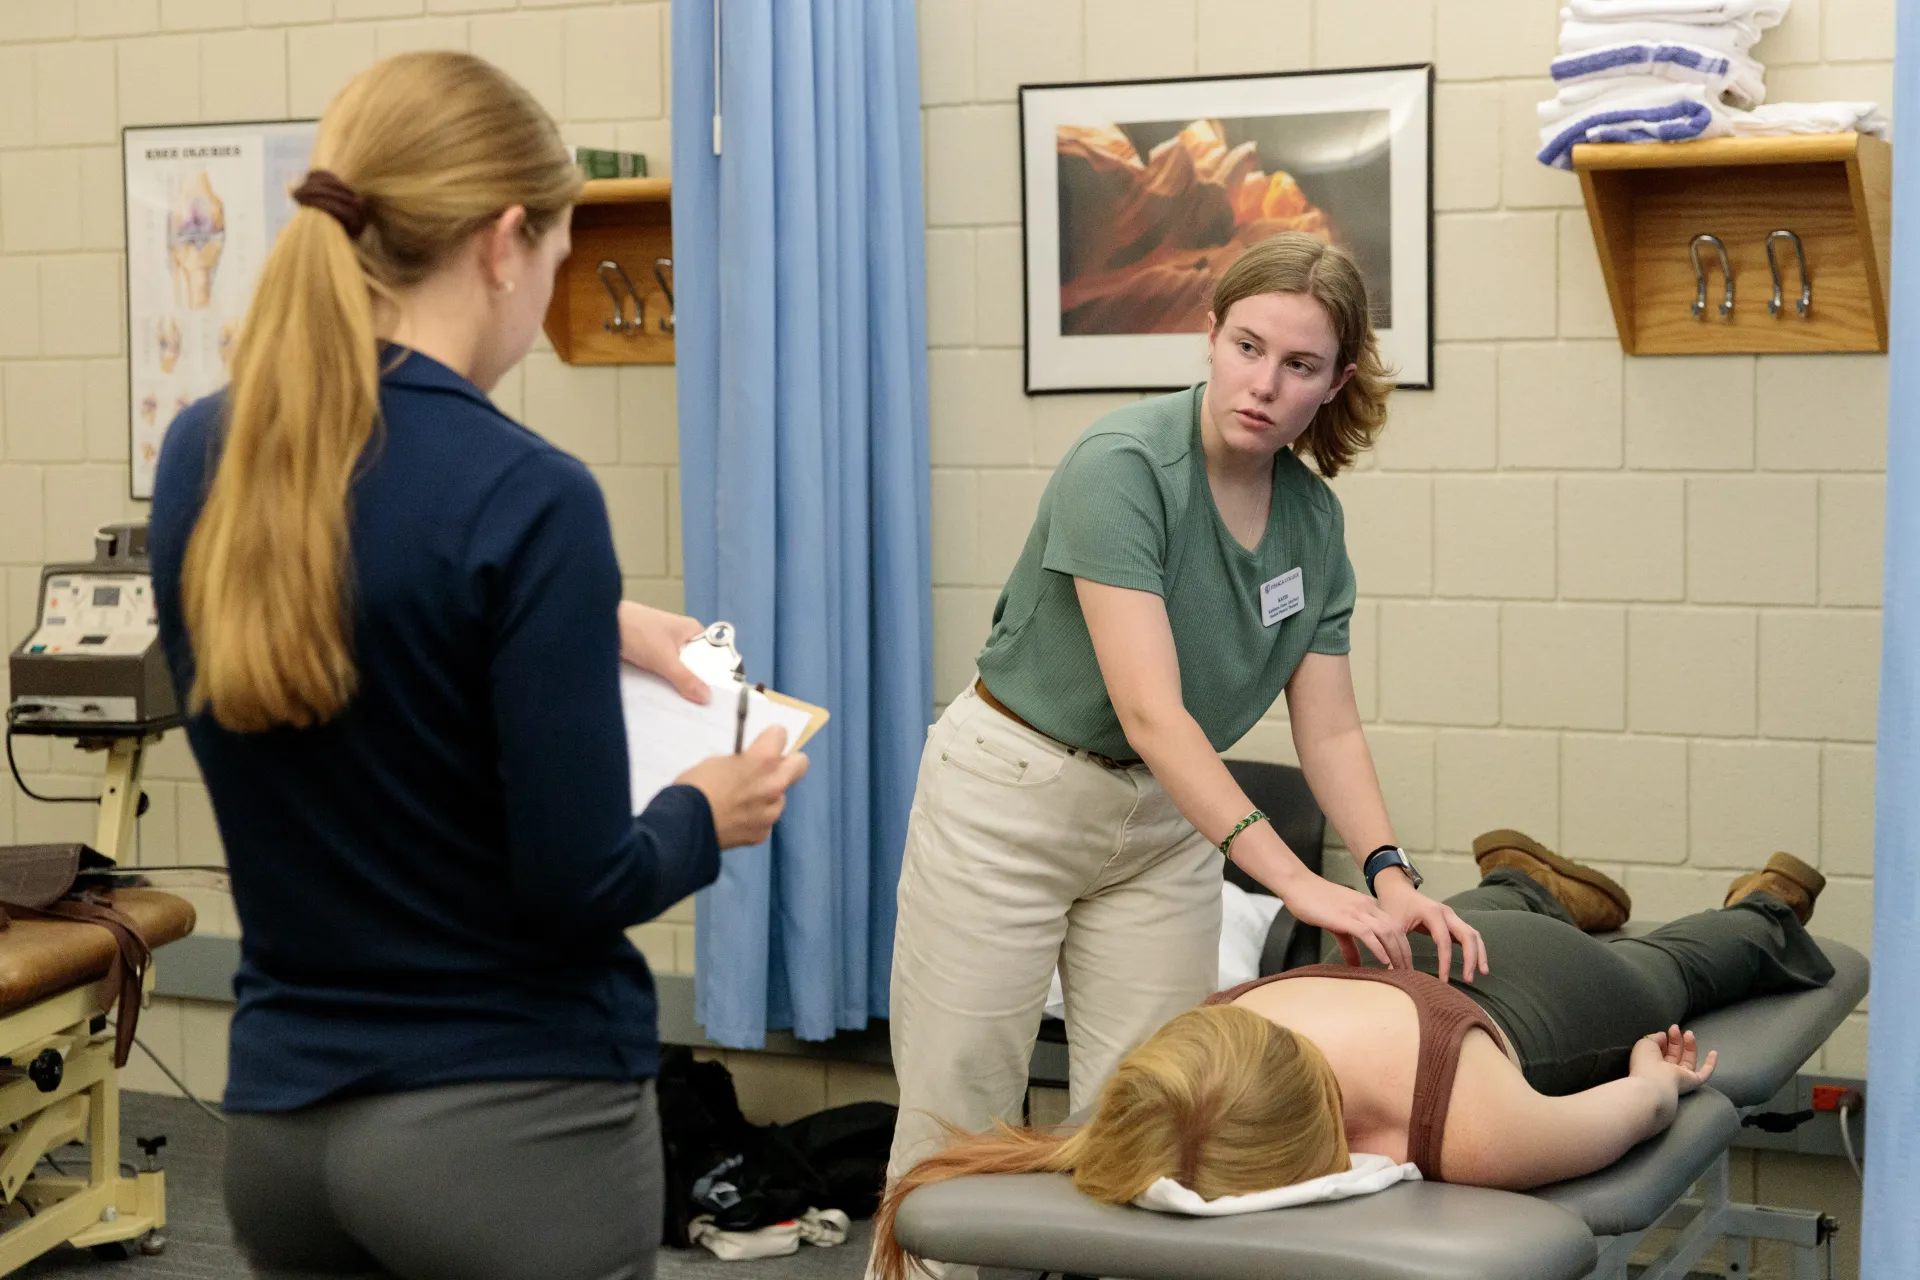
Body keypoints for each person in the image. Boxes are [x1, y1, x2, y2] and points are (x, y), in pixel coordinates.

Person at [147, 52, 807, 1280]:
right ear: (505, 241)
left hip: (283, 1131)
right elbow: (576, 882)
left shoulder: (209, 454)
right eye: (559, 260)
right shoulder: (530, 494)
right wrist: (703, 813)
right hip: (505, 1137)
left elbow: (370, 580)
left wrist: (591, 616)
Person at [883, 233, 1487, 1202]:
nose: (1263, 384)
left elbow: (1327, 727)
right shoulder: (1119, 467)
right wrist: (1298, 882)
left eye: (1299, 365)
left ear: (1333, 384)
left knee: (1157, 1121)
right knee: (957, 1120)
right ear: (1208, 336)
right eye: (1246, 347)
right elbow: (1151, 710)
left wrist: (1387, 872)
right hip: (1012, 798)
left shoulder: (1312, 523)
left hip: (1165, 824)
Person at [871, 843, 1835, 1280]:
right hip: (1409, 952)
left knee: (1656, 971)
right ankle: (1522, 885)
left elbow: (1633, 1114)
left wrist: (1653, 1074)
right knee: (1468, 923)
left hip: (1534, 1005)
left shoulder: (1475, 1120)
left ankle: (1760, 909)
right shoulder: (1181, 1065)